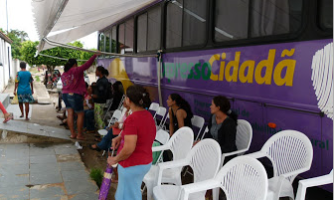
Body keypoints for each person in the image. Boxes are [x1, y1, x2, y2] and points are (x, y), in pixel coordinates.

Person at [107, 85, 156, 200]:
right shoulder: (147, 115)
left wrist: (115, 159)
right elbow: (142, 134)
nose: (124, 100)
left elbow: (129, 149)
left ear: (129, 100)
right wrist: (120, 137)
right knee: (132, 192)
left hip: (132, 164)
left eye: (125, 97)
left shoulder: (132, 119)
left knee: (126, 196)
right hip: (144, 162)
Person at [61, 53, 99, 140]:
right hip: (74, 95)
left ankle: (73, 134)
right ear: (75, 64)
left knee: (70, 113)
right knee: (80, 114)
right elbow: (87, 64)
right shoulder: (76, 70)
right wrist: (94, 55)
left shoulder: (64, 73)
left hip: (65, 94)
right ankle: (79, 135)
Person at [204, 95, 238, 160]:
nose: (210, 106)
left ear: (218, 107)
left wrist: (212, 150)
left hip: (224, 155)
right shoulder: (213, 117)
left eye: (212, 105)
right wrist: (202, 142)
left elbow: (228, 147)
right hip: (213, 150)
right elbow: (209, 134)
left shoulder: (229, 124)